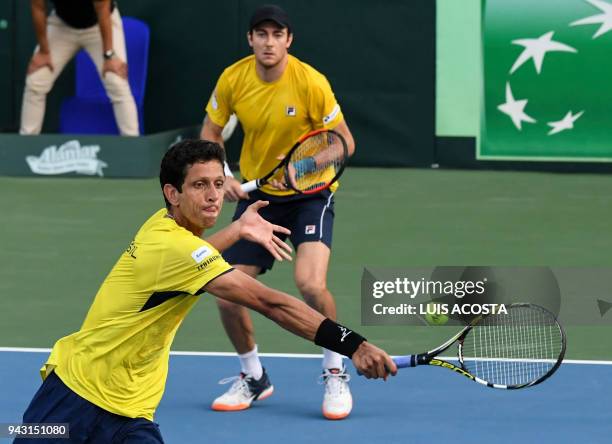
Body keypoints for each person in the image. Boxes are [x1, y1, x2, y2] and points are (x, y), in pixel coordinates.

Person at [15, 140, 395, 444]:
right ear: (173, 192)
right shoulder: (174, 249)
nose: (214, 195)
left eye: (217, 183)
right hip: (72, 398)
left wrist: (238, 229)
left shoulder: (162, 226)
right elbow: (270, 303)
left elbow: (195, 258)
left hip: (131, 410)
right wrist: (354, 345)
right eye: (200, 185)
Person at [201, 4, 357, 419]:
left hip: (309, 194)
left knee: (309, 283)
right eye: (261, 34)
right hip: (260, 202)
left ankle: (335, 369)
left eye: (277, 35)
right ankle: (253, 376)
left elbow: (343, 142)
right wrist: (223, 175)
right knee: (225, 290)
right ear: (250, 39)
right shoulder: (233, 78)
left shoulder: (310, 82)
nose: (269, 42)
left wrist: (298, 172)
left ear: (288, 40)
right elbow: (211, 132)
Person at [20, 0, 139, 136]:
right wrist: (44, 51)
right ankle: (26, 144)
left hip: (100, 24)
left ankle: (133, 143)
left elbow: (103, 10)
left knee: (116, 81)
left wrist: (109, 55)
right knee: (36, 80)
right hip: (62, 25)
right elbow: (38, 9)